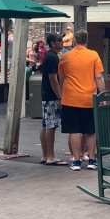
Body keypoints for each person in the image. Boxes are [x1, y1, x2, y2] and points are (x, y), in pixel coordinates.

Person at [58, 29, 104, 171]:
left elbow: (61, 77)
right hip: (89, 98)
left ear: (74, 41)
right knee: (90, 131)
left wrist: (61, 94)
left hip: (70, 98)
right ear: (87, 40)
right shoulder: (93, 55)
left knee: (75, 130)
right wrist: (102, 96)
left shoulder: (66, 57)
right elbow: (99, 77)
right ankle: (92, 160)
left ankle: (76, 161)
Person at [39, 33, 68, 166]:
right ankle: (50, 156)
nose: (62, 42)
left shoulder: (50, 56)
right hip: (51, 96)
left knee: (46, 125)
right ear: (53, 43)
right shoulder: (52, 57)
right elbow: (53, 79)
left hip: (46, 95)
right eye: (59, 41)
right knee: (51, 126)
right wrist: (60, 96)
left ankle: (45, 155)